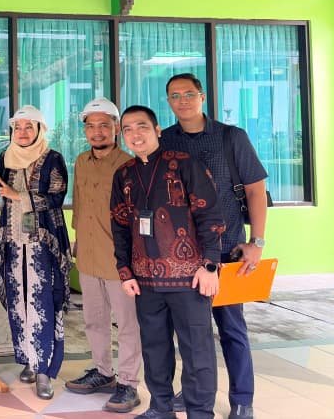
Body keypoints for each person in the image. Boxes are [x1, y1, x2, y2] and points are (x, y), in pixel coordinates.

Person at [160, 73, 268, 419]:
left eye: (188, 94)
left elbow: (255, 190)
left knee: (232, 328)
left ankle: (242, 399)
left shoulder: (231, 137)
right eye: (175, 96)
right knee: (190, 331)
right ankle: (194, 390)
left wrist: (256, 242)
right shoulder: (165, 140)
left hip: (227, 250)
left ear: (202, 96)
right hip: (181, 255)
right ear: (169, 101)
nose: (182, 101)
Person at [111, 105, 225, 419]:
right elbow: (119, 225)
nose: (135, 134)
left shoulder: (185, 164)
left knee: (197, 350)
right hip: (145, 281)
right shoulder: (124, 174)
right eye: (128, 129)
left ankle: (200, 412)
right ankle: (161, 408)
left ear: (157, 130)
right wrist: (125, 271)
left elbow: (210, 215)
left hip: (190, 279)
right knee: (154, 349)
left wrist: (210, 265)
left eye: (142, 127)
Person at [0, 105, 71, 400]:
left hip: (43, 245)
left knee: (43, 303)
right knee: (18, 302)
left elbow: (57, 196)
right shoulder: (5, 157)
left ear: (39, 130)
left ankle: (45, 370)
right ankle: (29, 361)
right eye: (17, 128)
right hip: (12, 243)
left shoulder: (53, 158)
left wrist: (18, 195)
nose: (22, 133)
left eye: (28, 127)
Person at [64, 97, 142, 413]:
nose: (97, 132)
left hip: (120, 260)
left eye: (104, 126)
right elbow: (79, 203)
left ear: (116, 128)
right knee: (93, 320)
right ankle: (103, 372)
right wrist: (77, 240)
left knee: (127, 324)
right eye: (91, 126)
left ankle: (129, 383)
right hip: (88, 255)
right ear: (85, 130)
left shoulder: (129, 165)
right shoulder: (81, 161)